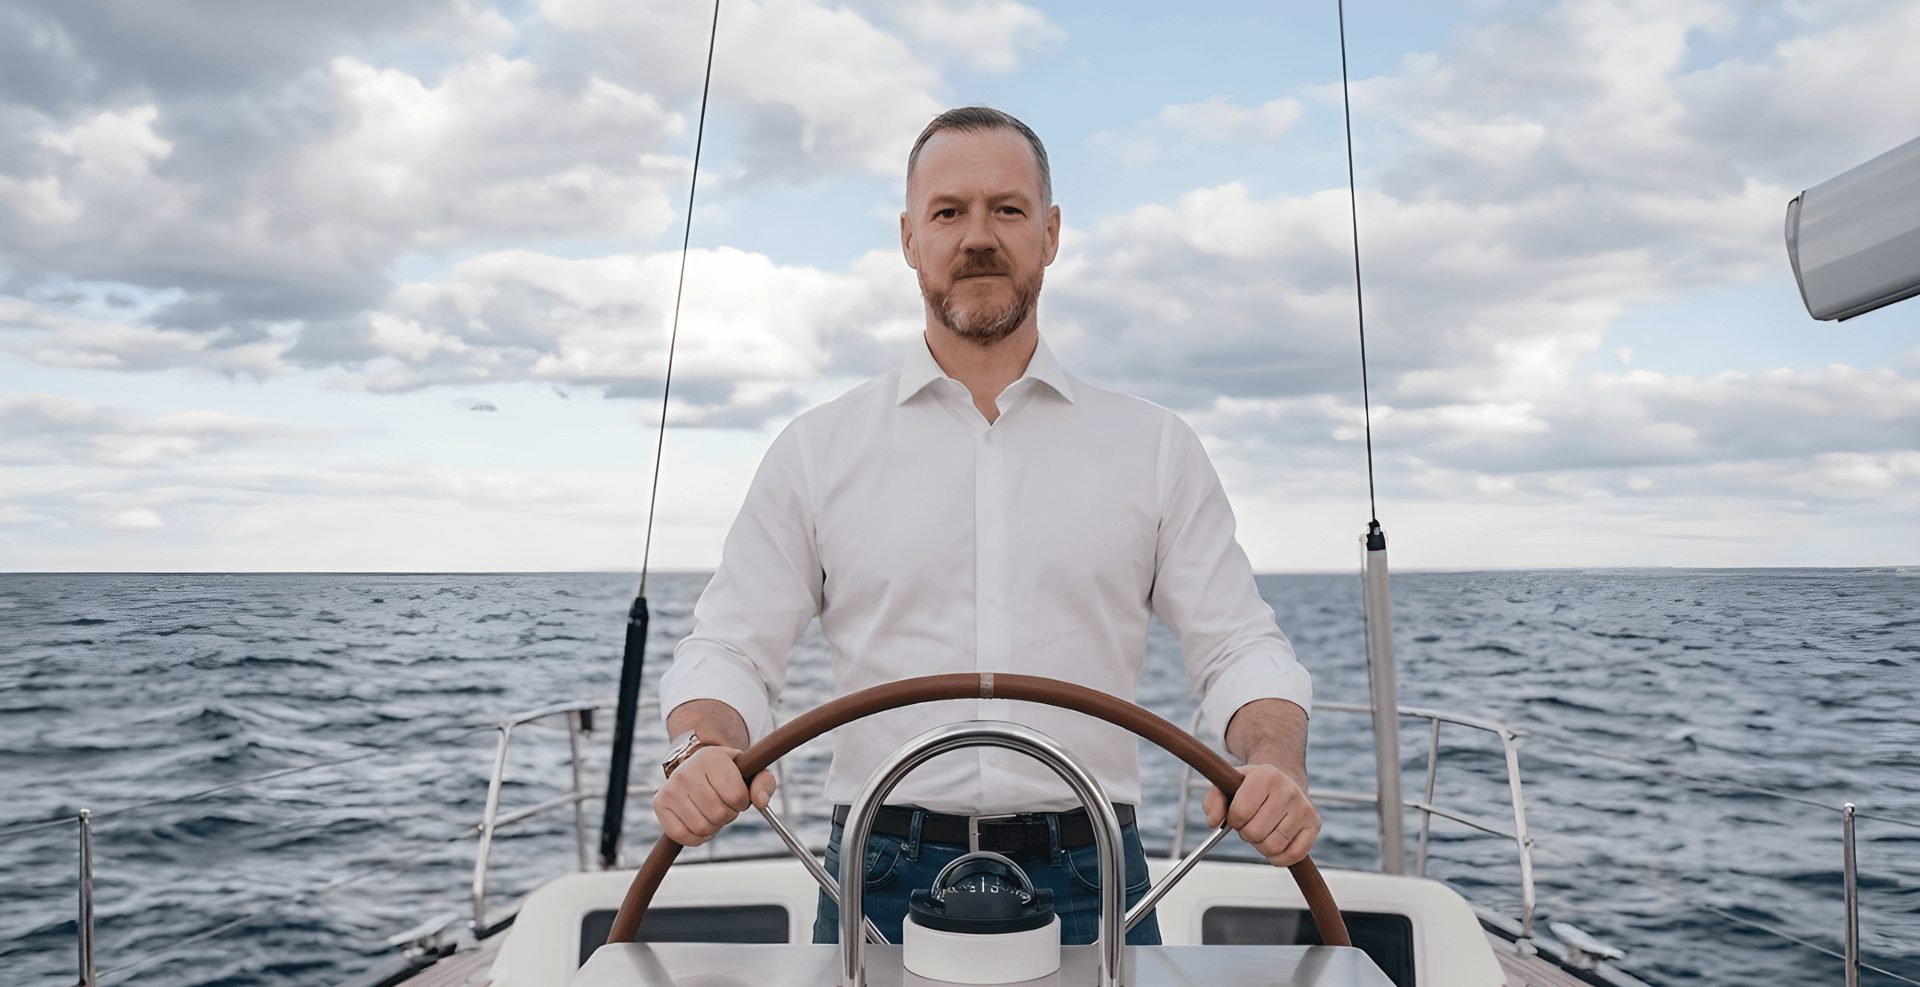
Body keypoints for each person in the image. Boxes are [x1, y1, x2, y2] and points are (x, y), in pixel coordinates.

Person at [652, 106, 1319, 947]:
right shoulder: (816, 451)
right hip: (877, 868)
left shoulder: (1154, 448)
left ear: (1050, 233)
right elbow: (731, 647)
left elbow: (1238, 649)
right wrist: (702, 748)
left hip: (1092, 871)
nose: (978, 237)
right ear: (908, 238)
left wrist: (1274, 761)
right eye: (947, 212)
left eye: (1006, 210)